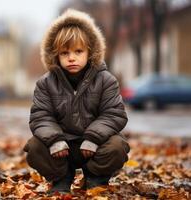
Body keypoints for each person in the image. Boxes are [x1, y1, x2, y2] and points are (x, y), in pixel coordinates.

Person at [23, 9, 130, 194]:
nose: (71, 57)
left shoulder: (106, 80)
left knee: (118, 146)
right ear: (56, 55)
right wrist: (55, 140)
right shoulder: (45, 83)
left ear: (90, 51)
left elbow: (114, 114)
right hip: (62, 148)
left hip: (95, 146)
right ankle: (61, 179)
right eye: (64, 53)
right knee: (34, 147)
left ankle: (95, 177)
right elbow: (41, 116)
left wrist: (93, 138)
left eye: (78, 51)